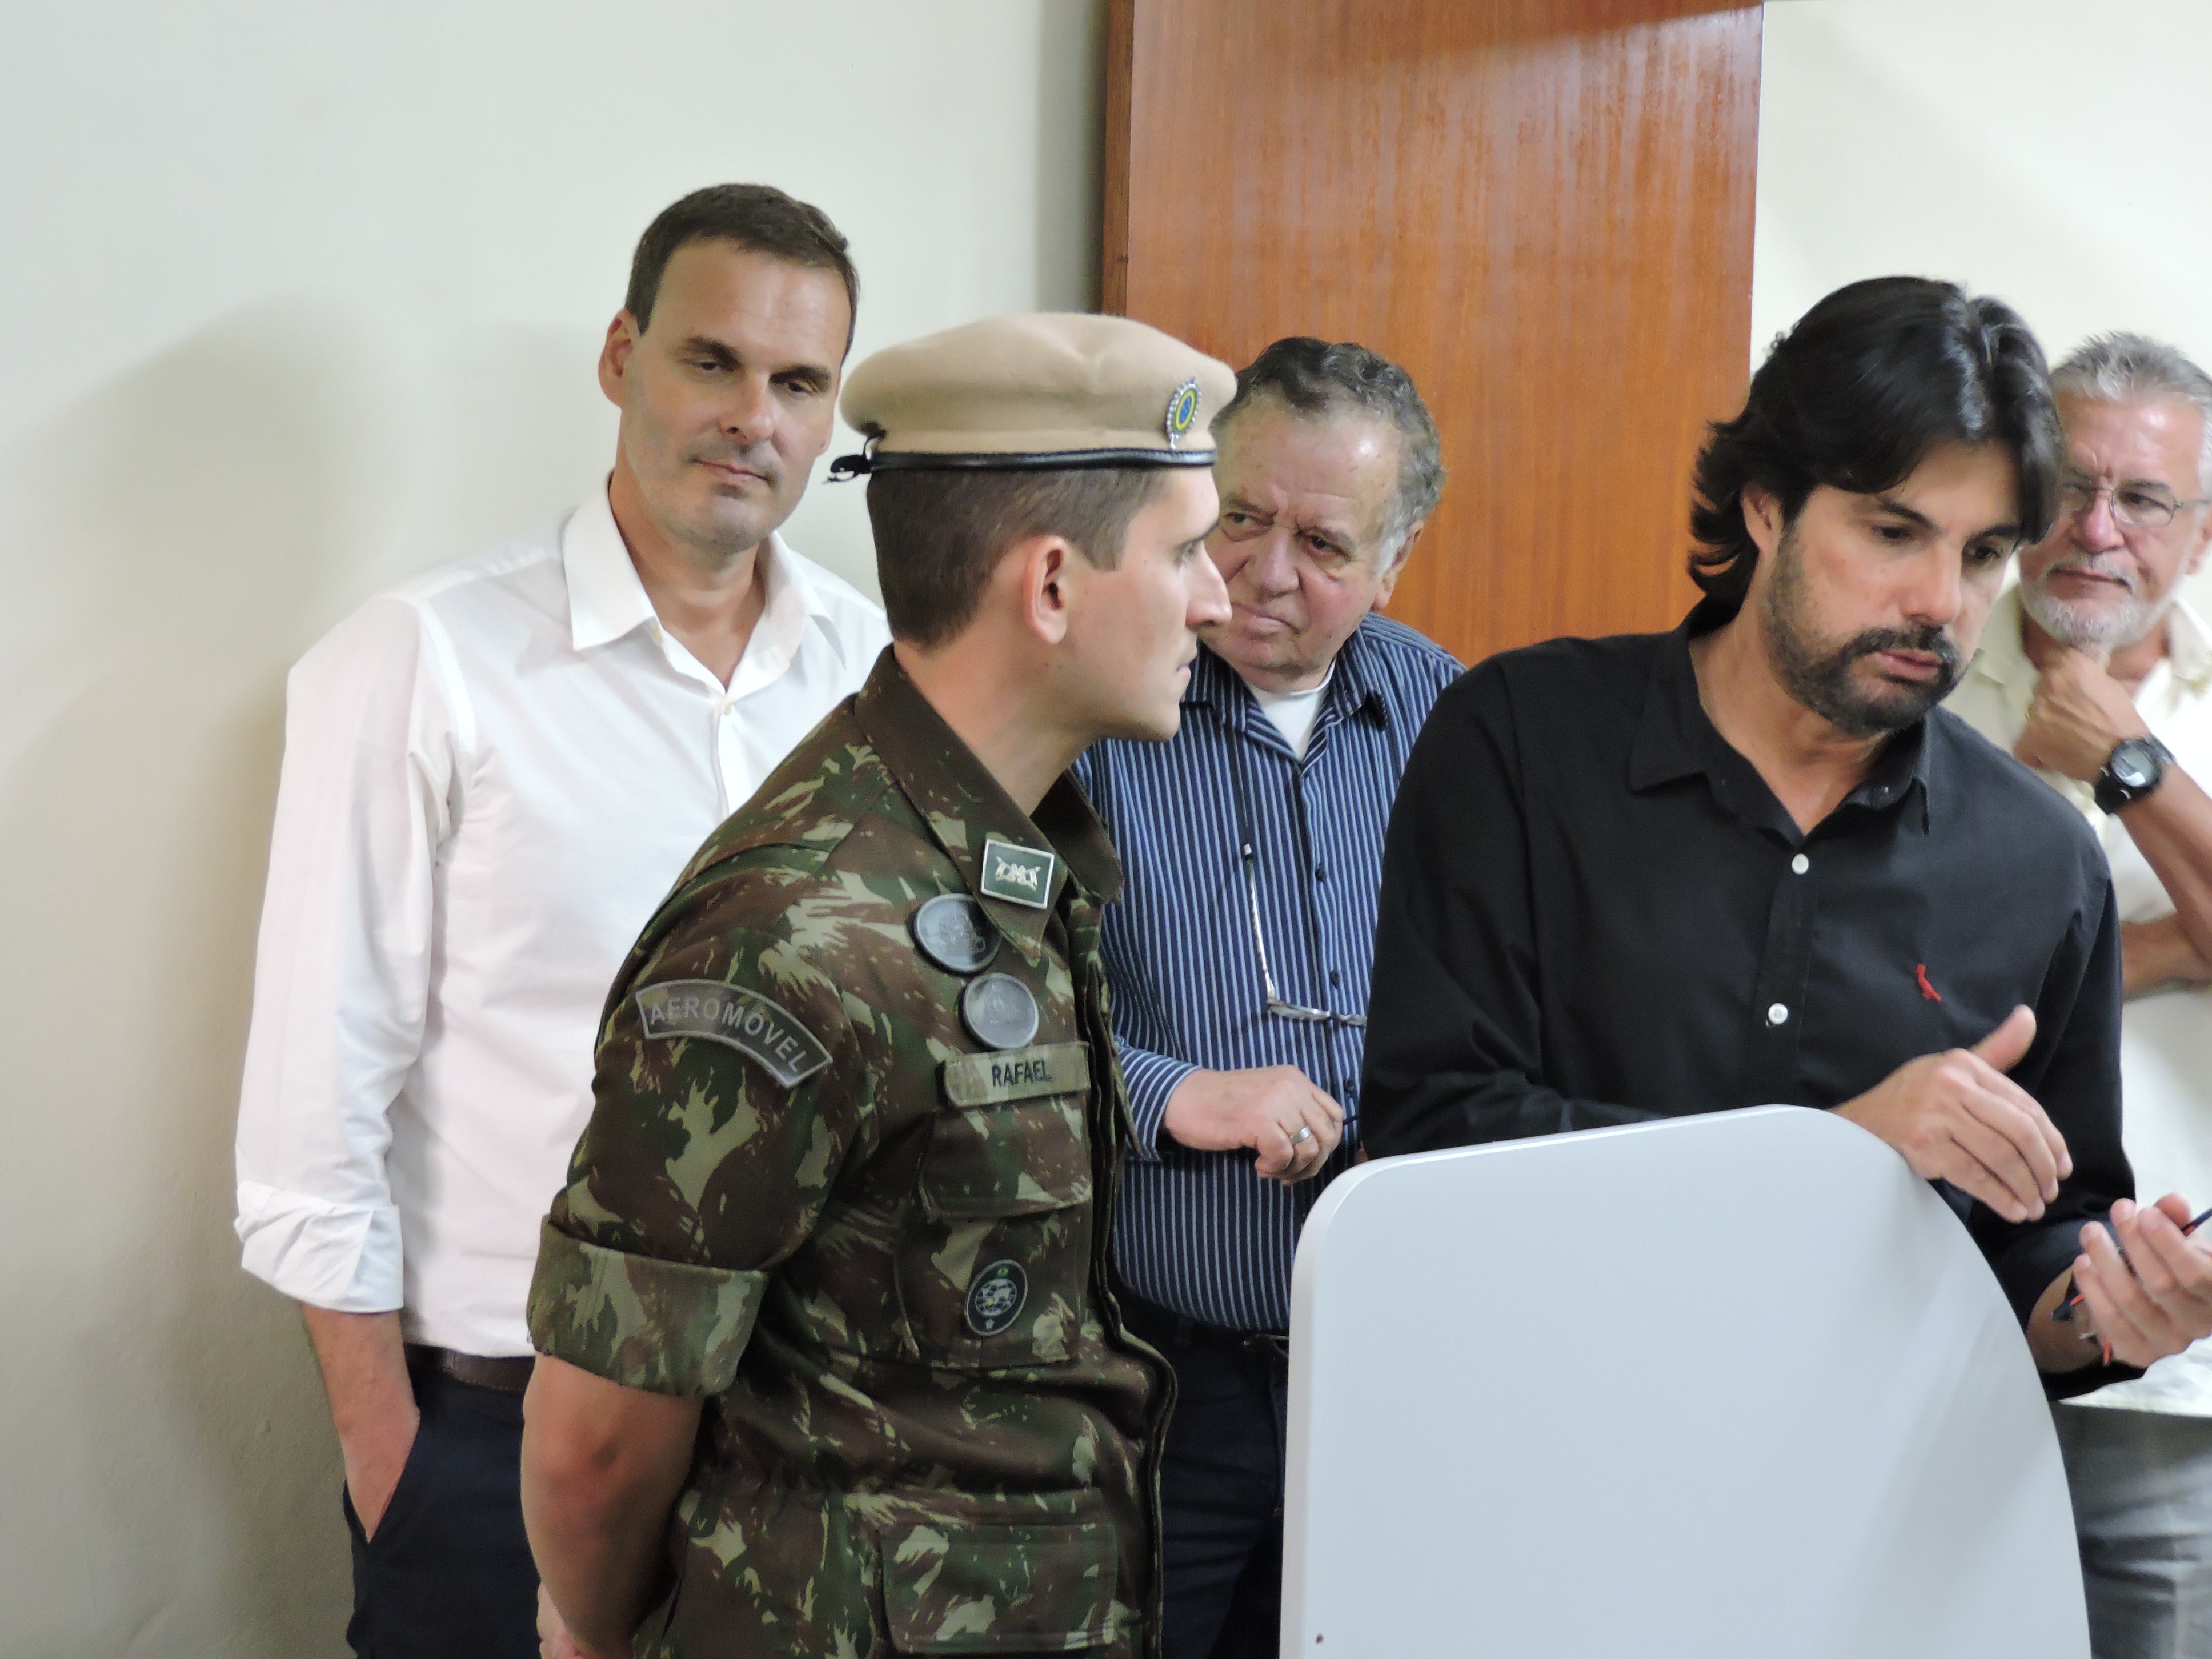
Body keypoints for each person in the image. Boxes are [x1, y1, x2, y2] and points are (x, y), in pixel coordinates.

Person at [230, 183, 888, 1657]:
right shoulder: (423, 661)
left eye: (799, 383)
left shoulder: (875, 679)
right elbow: (312, 1112)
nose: (754, 418)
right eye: (712, 361)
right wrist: (395, 1468)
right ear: (620, 356)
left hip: (803, 1431)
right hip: (499, 1436)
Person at [518, 312, 1237, 1659]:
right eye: (1186, 552)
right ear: (1051, 586)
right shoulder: (793, 932)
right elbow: (595, 1448)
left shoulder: (1005, 855)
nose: (1217, 601)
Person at [1363, 276, 2212, 1396]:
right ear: (1765, 507)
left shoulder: (2042, 860)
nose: (1939, 601)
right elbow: (1430, 1135)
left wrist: (2104, 1314)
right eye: (1894, 532)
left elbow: (2036, 1249)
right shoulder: (1521, 739)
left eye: (1981, 555)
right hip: (1534, 1426)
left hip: (1872, 1480)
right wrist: (1834, 1152)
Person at [1068, 336, 1456, 1658]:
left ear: (1392, 564)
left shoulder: (1453, 718)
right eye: (1239, 518)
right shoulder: (1094, 707)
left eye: (1325, 544)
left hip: (1399, 1383)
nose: (1267, 571)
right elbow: (993, 1027)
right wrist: (1176, 1095)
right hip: (1158, 1379)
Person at [1944, 332, 2212, 1655]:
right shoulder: (1916, 667)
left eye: (2145, 499)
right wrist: (2163, 948)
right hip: (1939, 1331)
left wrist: (2130, 762)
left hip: (2171, 1367)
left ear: (2202, 532)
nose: (2096, 532)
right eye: (2068, 485)